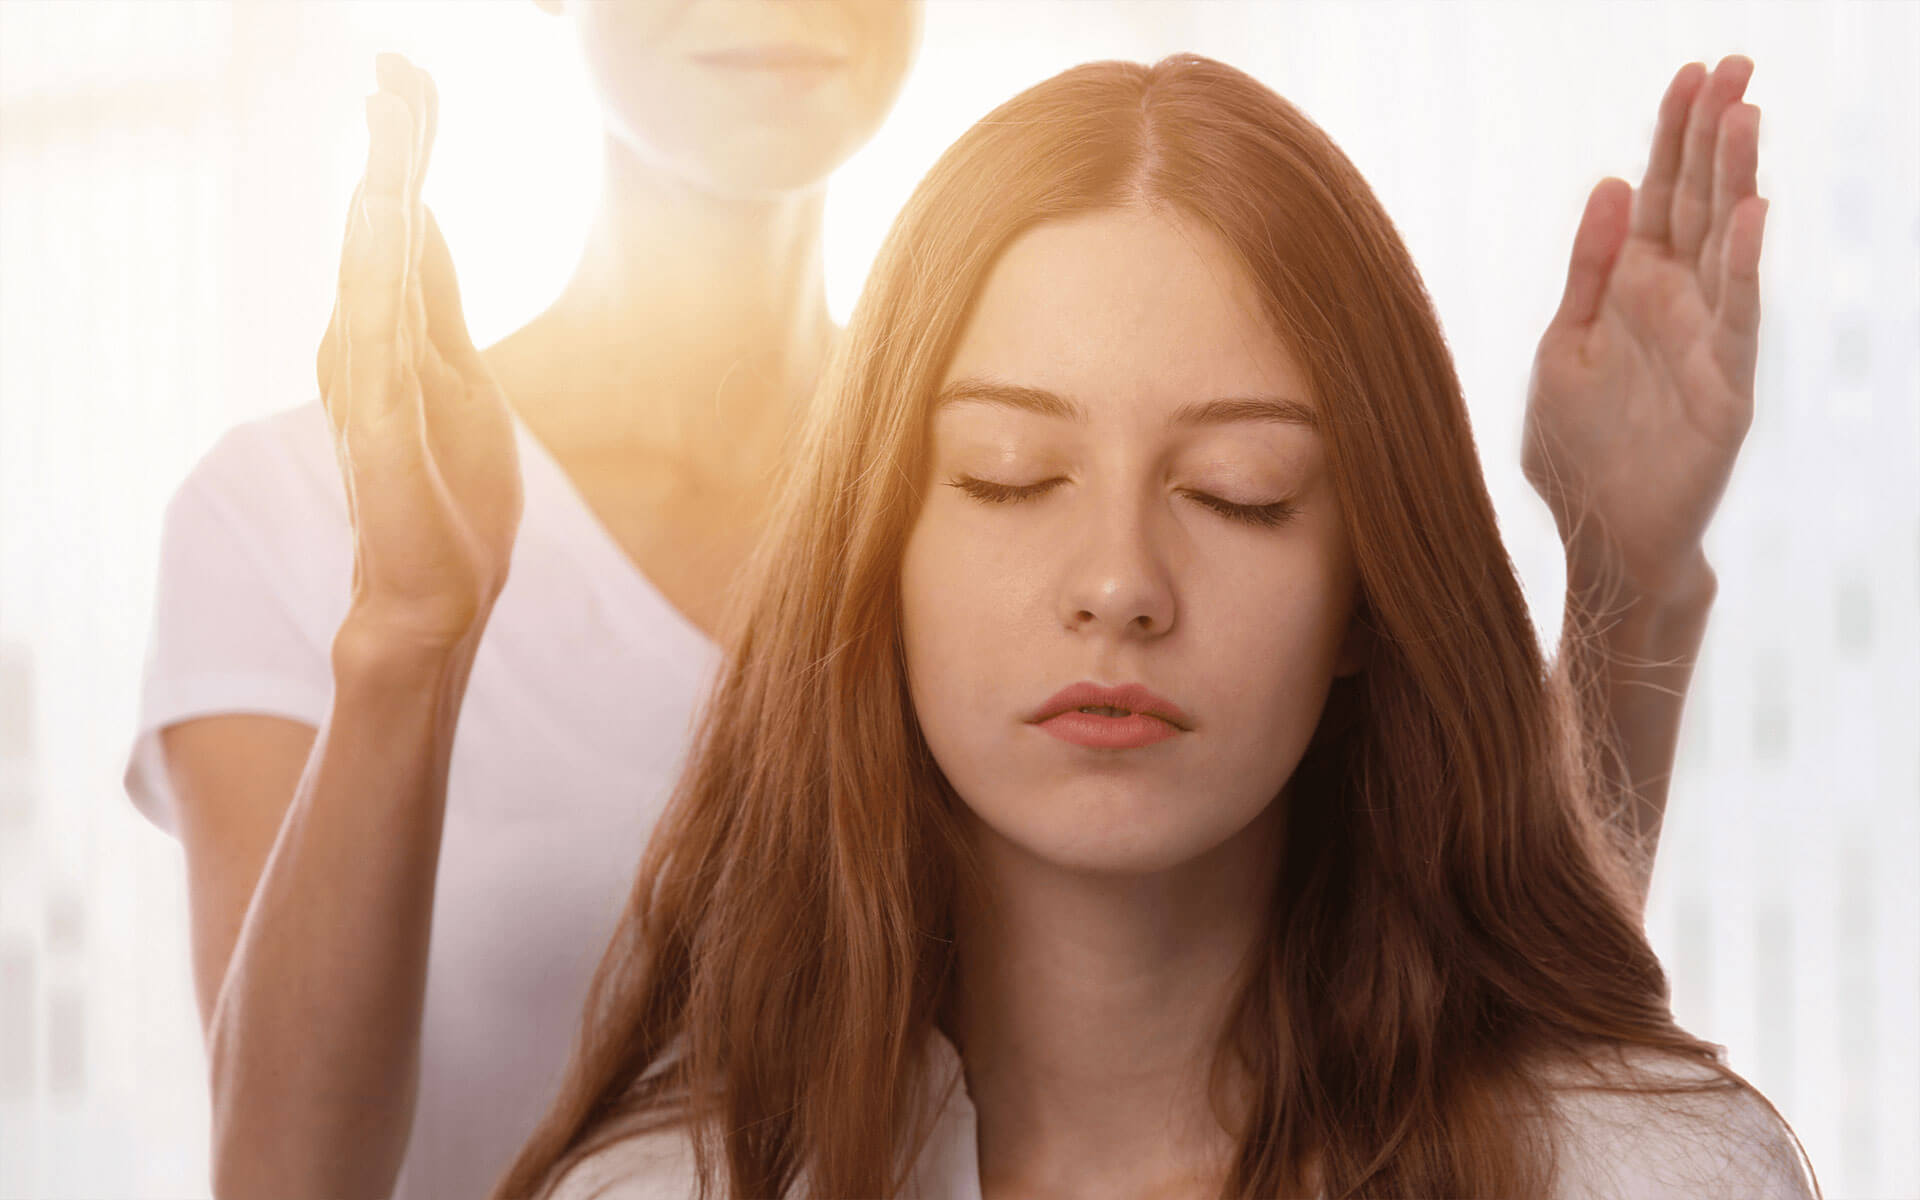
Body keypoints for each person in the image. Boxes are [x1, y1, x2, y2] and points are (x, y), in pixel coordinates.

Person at [119, 1, 1756, 1196]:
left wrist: (1622, 581)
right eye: (1003, 482)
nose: (1113, 585)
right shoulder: (311, 510)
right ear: (877, 564)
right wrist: (407, 631)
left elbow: (1479, 926)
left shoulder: (1050, 325)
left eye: (1240, 495)